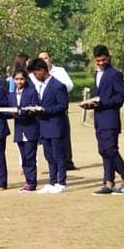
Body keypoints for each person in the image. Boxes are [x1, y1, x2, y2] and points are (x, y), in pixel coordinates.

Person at [89, 45, 124, 195]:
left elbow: (122, 95)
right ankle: (108, 182)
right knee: (103, 151)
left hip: (110, 118)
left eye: (103, 60)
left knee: (110, 150)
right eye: (98, 61)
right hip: (98, 118)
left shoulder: (114, 74)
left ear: (108, 57)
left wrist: (104, 102)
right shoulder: (96, 74)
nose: (101, 63)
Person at [34, 58, 70, 193]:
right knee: (49, 155)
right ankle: (52, 181)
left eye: (36, 74)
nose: (36, 77)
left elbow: (62, 106)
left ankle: (61, 182)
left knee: (59, 155)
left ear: (42, 71)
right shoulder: (42, 85)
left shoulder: (58, 85)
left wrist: (44, 110)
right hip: (44, 126)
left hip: (56, 125)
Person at [39, 51, 76, 170]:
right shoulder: (37, 74)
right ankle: (53, 162)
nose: (44, 60)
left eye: (46, 58)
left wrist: (55, 86)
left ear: (50, 59)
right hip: (44, 109)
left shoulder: (59, 71)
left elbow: (69, 85)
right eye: (41, 59)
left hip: (59, 105)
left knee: (63, 134)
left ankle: (67, 161)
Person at [12, 69, 41, 191]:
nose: (19, 81)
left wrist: (21, 112)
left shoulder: (31, 92)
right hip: (19, 129)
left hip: (30, 128)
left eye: (21, 79)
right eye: (17, 79)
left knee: (30, 156)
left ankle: (32, 182)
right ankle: (28, 180)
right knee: (23, 157)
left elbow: (33, 108)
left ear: (26, 79)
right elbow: (9, 108)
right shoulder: (12, 94)